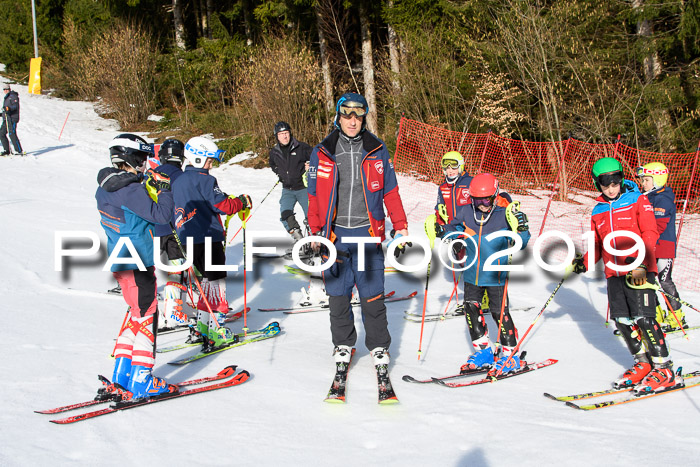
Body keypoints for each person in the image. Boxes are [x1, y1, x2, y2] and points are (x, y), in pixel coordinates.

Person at [307, 92, 409, 377]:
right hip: (335, 235)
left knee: (372, 294)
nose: (353, 121)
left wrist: (399, 224)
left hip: (367, 233)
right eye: (347, 115)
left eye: (358, 115)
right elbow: (313, 195)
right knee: (338, 295)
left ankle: (378, 345)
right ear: (338, 117)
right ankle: (343, 344)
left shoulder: (376, 148)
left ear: (364, 117)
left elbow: (390, 190)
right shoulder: (323, 151)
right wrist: (316, 230)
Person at [569, 157, 677, 394]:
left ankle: (664, 368)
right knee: (623, 320)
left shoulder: (637, 199)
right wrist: (583, 263)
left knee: (644, 318)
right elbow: (597, 242)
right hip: (613, 271)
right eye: (605, 183)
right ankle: (643, 363)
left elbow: (649, 233)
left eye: (615, 182)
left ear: (621, 179)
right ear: (598, 184)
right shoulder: (597, 210)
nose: (611, 188)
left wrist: (646, 266)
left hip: (637, 267)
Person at [96, 133, 177, 400]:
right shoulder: (130, 190)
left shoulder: (106, 185)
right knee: (147, 315)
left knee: (135, 313)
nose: (144, 164)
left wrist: (146, 183)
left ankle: (121, 375)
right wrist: (164, 190)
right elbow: (161, 215)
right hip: (139, 261)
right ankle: (142, 378)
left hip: (120, 261)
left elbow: (130, 207)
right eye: (141, 159)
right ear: (129, 158)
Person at [432, 173, 530, 375]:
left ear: (495, 195)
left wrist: (522, 227)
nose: (482, 204)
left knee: (499, 313)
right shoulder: (467, 211)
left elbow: (521, 241)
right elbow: (454, 228)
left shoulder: (504, 214)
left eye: (486, 199)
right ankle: (484, 352)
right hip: (471, 273)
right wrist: (442, 230)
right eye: (477, 200)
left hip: (495, 274)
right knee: (471, 310)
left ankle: (511, 355)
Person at [171, 136, 251, 349]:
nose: (211, 164)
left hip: (188, 239)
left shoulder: (178, 180)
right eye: (208, 160)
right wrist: (240, 202)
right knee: (215, 282)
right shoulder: (205, 180)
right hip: (208, 237)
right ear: (196, 159)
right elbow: (223, 205)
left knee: (206, 282)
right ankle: (216, 330)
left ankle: (201, 327)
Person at [635, 162, 686, 331]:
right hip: (649, 247)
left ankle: (676, 318)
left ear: (657, 180)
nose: (643, 183)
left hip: (663, 246)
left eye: (647, 180)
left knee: (664, 281)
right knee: (646, 281)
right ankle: (654, 315)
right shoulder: (646, 197)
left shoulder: (662, 199)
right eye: (643, 180)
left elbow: (658, 226)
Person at [151, 139, 189, 329]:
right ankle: (173, 311)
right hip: (175, 229)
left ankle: (147, 310)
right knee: (176, 268)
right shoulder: (182, 177)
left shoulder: (152, 174)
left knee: (148, 266)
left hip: (153, 228)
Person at [269, 121, 312, 241]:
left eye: (286, 133)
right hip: (287, 189)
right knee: (285, 215)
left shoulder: (302, 147)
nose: (284, 136)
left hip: (304, 188)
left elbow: (317, 158)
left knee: (312, 217)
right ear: (277, 136)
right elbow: (272, 164)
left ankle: (316, 243)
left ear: (290, 133)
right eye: (281, 134)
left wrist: (310, 166)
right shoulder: (274, 152)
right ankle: (299, 240)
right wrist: (279, 172)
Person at [1, 84, 23, 156]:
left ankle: (18, 151)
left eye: (7, 89)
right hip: (6, 118)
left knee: (12, 133)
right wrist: (2, 114)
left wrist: (8, 109)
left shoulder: (13, 96)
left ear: (9, 89)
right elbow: (6, 109)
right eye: (4, 89)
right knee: (1, 133)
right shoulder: (6, 97)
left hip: (12, 118)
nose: (5, 90)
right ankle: (6, 150)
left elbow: (15, 106)